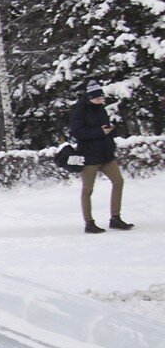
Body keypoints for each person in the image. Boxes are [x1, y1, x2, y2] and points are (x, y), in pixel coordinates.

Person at [70, 79, 134, 234]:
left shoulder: (101, 109)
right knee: (87, 190)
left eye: (102, 98)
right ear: (89, 98)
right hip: (89, 155)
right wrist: (100, 131)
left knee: (118, 182)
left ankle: (115, 218)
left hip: (106, 153)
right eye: (98, 99)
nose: (101, 101)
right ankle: (89, 222)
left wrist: (112, 131)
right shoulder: (79, 110)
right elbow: (77, 133)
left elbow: (104, 128)